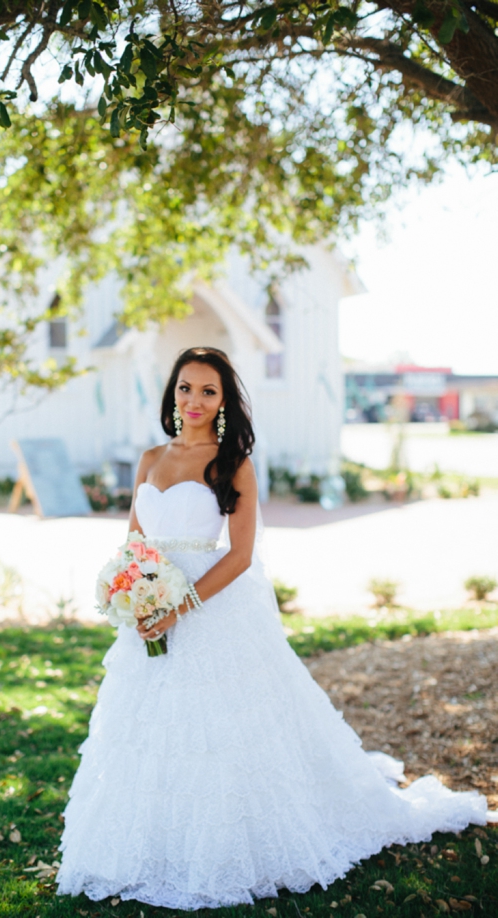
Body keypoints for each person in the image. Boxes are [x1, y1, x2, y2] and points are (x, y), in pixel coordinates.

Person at [57, 347, 493, 910]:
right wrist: (129, 591)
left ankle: (228, 843)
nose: (193, 400)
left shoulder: (232, 462)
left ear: (223, 402)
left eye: (207, 391)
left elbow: (238, 556)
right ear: (172, 394)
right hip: (148, 605)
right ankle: (150, 843)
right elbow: (135, 542)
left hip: (207, 606)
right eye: (185, 388)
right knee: (149, 735)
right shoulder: (149, 459)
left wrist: (177, 607)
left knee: (220, 735)